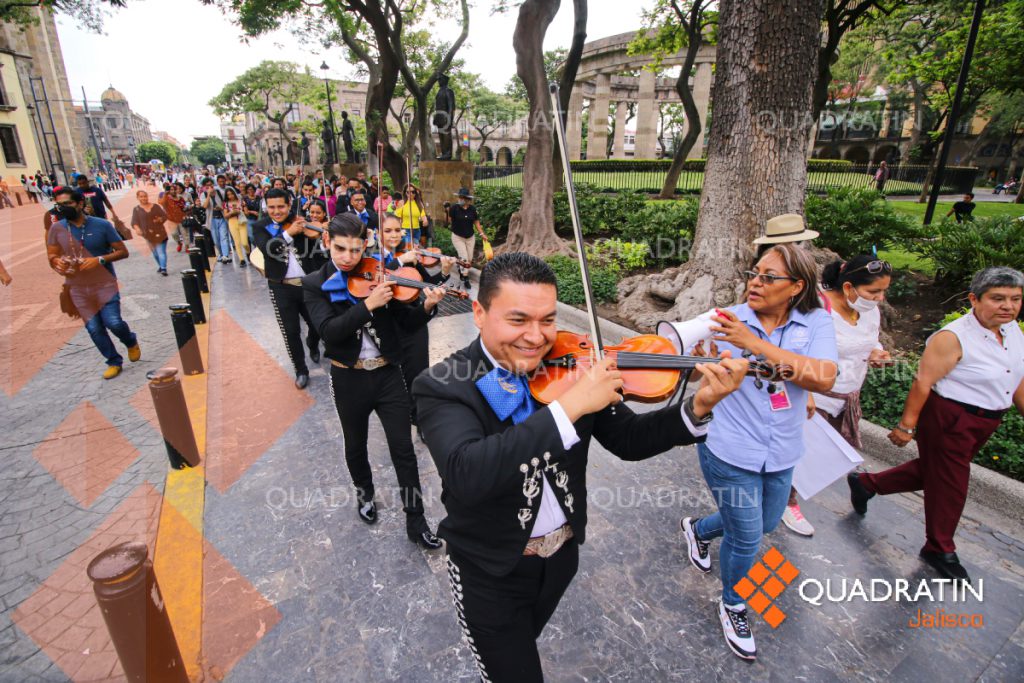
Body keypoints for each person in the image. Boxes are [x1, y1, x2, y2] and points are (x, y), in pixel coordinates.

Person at [412, 252, 746, 681]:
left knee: (524, 641)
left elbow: (629, 440)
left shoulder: (574, 367)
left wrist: (699, 405)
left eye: (547, 319)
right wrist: (567, 409)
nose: (537, 337)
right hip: (488, 571)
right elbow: (466, 473)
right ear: (479, 313)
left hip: (561, 558)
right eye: (518, 320)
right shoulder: (444, 383)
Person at [681, 243, 838, 661]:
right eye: (754, 273)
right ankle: (733, 603)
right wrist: (700, 359)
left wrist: (754, 343)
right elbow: (699, 367)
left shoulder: (816, 320)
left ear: (796, 286)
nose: (756, 282)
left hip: (783, 448)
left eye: (769, 277)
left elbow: (824, 378)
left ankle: (697, 529)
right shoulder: (725, 320)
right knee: (748, 538)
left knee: (767, 521)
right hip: (729, 448)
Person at [847, 267, 1024, 583]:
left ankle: (867, 484)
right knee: (952, 484)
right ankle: (939, 548)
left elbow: (1016, 376)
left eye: (1015, 299)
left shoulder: (1012, 332)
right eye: (998, 299)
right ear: (974, 298)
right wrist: (906, 426)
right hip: (950, 418)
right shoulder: (953, 337)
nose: (1008, 306)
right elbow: (923, 381)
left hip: (986, 421)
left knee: (936, 471)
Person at [302, 212, 446, 548]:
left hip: (387, 375)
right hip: (348, 377)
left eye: (355, 249)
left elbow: (407, 324)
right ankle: (365, 493)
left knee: (403, 450)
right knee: (356, 445)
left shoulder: (379, 274)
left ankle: (417, 520)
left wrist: (426, 306)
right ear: (327, 243)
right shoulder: (314, 284)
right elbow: (330, 332)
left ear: (365, 245)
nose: (349, 258)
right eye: (341, 249)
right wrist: (368, 304)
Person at [778, 255, 893, 537]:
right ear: (849, 287)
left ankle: (779, 494)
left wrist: (875, 351)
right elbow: (792, 352)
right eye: (873, 292)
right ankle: (784, 502)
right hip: (814, 395)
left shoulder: (869, 311)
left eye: (883, 292)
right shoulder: (816, 310)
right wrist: (804, 393)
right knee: (797, 453)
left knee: (813, 455)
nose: (879, 298)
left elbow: (868, 339)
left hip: (847, 394)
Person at [45, 188, 140, 379]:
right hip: (77, 287)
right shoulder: (57, 229)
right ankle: (113, 361)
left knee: (113, 322)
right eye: (59, 205)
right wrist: (58, 263)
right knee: (94, 328)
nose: (62, 208)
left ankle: (130, 340)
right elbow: (52, 255)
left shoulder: (102, 225)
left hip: (105, 284)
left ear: (80, 204)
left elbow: (122, 252)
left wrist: (99, 260)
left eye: (67, 204)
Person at [378, 213, 455, 430]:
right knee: (395, 377)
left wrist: (444, 273)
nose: (394, 235)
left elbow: (427, 284)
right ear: (376, 233)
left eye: (397, 230)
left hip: (414, 322)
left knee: (418, 375)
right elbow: (380, 274)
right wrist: (400, 261)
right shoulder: (373, 257)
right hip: (389, 327)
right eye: (388, 231)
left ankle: (419, 419)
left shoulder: (409, 256)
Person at [250, 188, 323, 389]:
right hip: (281, 286)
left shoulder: (301, 221)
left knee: (318, 324)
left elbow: (317, 253)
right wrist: (289, 234)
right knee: (290, 331)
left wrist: (317, 237)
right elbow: (269, 249)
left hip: (308, 285)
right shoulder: (260, 226)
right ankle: (301, 369)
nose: (276, 211)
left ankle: (313, 343)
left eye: (281, 206)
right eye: (272, 207)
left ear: (289, 205)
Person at [448, 187, 486, 291]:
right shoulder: (454, 208)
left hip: (470, 237)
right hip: (457, 237)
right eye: (459, 197)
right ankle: (465, 278)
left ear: (467, 199)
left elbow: (476, 222)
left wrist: (482, 233)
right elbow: (450, 220)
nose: (459, 199)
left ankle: (461, 270)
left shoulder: (472, 209)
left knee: (469, 259)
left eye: (462, 197)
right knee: (464, 257)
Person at [131, 190, 170, 276]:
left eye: (145, 196)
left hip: (160, 233)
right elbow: (134, 222)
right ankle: (160, 265)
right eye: (141, 196)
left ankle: (163, 268)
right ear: (138, 198)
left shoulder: (155, 206)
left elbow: (164, 216)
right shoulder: (136, 209)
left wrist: (160, 219)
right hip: (148, 235)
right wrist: (137, 229)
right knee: (155, 253)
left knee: (161, 251)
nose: (144, 198)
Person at [202, 175, 233, 263]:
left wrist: (221, 208)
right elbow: (205, 206)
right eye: (207, 185)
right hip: (212, 220)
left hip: (222, 217)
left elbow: (226, 204)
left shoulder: (219, 192)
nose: (210, 187)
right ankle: (221, 253)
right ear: (205, 186)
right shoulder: (203, 194)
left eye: (211, 185)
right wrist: (208, 194)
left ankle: (225, 255)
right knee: (216, 239)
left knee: (224, 237)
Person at [394, 183, 428, 247]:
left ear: (415, 193)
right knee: (410, 247)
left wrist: (425, 220)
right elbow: (397, 217)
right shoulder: (402, 202)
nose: (411, 194)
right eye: (408, 192)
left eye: (413, 192)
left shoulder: (419, 203)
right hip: (406, 230)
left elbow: (423, 214)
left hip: (416, 230)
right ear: (405, 193)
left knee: (414, 248)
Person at [223, 187, 249, 268]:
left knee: (244, 242)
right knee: (237, 242)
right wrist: (231, 212)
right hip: (232, 222)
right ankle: (242, 259)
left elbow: (247, 213)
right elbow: (225, 216)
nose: (231, 196)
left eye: (232, 194)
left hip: (242, 222)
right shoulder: (226, 204)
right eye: (228, 195)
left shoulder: (241, 202)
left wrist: (240, 211)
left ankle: (248, 252)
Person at [160, 182, 187, 252]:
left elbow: (185, 206)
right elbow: (163, 203)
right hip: (171, 219)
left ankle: (187, 246)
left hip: (181, 218)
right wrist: (165, 194)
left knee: (185, 233)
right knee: (174, 234)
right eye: (172, 190)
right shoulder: (167, 198)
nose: (174, 191)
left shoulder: (180, 198)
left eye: (175, 189)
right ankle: (179, 243)